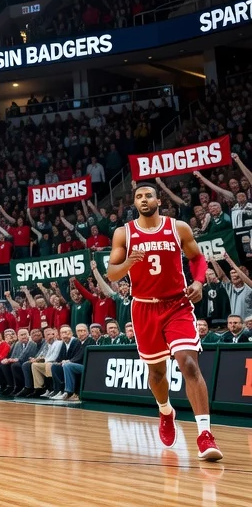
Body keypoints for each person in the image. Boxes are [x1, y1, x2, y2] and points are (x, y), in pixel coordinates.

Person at [104, 182, 220, 460]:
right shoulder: (124, 233)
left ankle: (205, 435)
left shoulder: (178, 228)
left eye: (149, 195)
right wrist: (129, 264)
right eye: (139, 196)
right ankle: (165, 410)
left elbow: (197, 259)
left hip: (177, 305)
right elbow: (112, 273)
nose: (144, 199)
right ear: (135, 203)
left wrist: (200, 282)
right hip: (144, 309)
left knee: (188, 363)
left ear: (158, 200)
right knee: (157, 374)